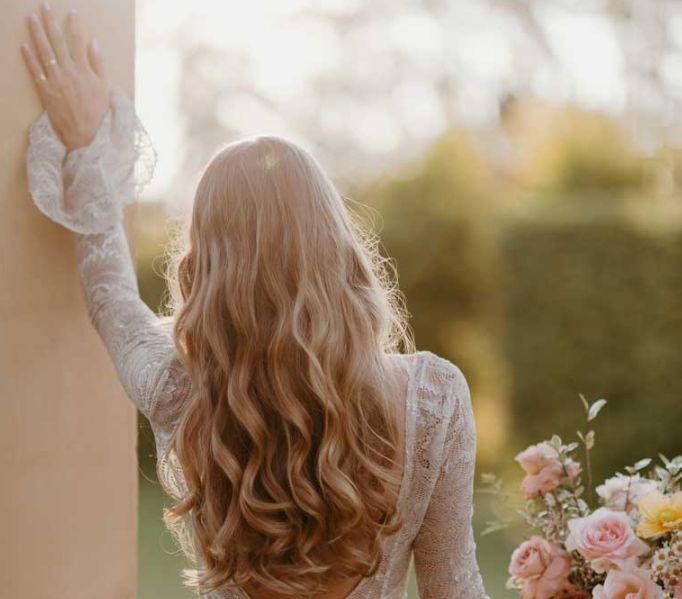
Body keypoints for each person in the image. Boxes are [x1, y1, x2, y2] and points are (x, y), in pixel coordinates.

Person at [20, 4, 490, 598]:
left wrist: (88, 145)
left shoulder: (179, 390)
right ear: (336, 246)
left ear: (205, 266)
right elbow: (456, 588)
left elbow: (111, 296)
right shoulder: (434, 398)